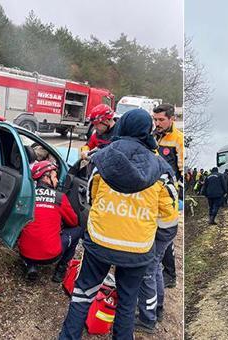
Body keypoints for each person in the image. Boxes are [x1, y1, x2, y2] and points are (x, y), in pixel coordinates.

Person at [59, 109, 176, 340]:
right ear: (147, 131)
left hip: (100, 243)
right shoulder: (161, 169)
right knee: (126, 301)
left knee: (83, 294)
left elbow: (90, 199)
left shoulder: (103, 159)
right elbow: (169, 217)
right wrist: (155, 244)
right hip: (139, 249)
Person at [18, 161, 80, 282]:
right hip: (51, 256)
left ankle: (31, 265)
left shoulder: (27, 195)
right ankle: (60, 270)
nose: (57, 180)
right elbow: (73, 222)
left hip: (24, 253)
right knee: (78, 230)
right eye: (55, 176)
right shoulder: (59, 197)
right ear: (46, 177)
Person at [136, 174, 179, 334]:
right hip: (169, 227)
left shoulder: (150, 177)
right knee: (155, 269)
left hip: (161, 230)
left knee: (148, 271)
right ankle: (158, 308)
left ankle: (147, 319)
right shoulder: (162, 171)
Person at [153, 103, 183, 289]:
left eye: (161, 120)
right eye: (155, 119)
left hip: (167, 196)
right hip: (151, 191)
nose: (157, 123)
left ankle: (170, 274)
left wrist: (177, 194)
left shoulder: (178, 139)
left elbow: (181, 170)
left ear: (172, 119)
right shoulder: (153, 135)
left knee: (165, 235)